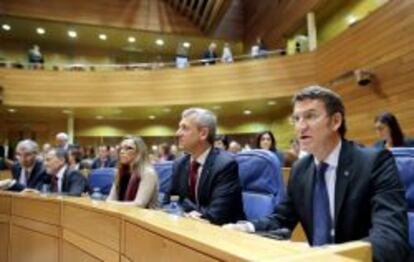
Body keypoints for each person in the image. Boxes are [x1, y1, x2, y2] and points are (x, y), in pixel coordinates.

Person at [224, 85, 409, 262]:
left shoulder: (375, 163)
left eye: (310, 117)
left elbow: (390, 238)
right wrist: (246, 227)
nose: (300, 127)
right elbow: (281, 219)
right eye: (296, 119)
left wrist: (331, 256)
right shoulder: (300, 170)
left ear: (336, 121)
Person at [165, 108, 245, 225]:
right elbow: (168, 201)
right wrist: (183, 212)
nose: (177, 133)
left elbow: (215, 216)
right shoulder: (179, 164)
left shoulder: (225, 165)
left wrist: (185, 207)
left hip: (224, 234)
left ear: (203, 133)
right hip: (189, 228)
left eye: (184, 128)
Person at [106, 136, 159, 208]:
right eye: (121, 148)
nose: (122, 151)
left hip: (145, 217)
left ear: (139, 152)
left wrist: (111, 203)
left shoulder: (148, 173)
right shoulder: (120, 173)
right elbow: (110, 199)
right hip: (123, 214)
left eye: (129, 148)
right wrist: (109, 203)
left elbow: (139, 205)